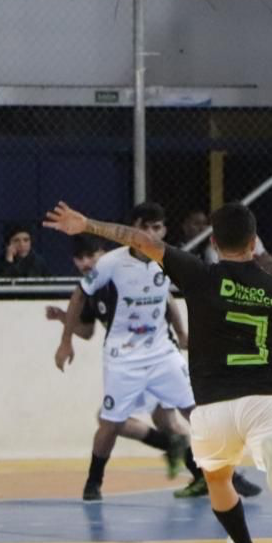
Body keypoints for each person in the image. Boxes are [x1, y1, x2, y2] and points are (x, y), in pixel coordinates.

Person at [45, 200, 272, 543]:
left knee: (216, 478)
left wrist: (87, 223)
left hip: (213, 407)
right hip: (267, 398)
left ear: (214, 241)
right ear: (253, 243)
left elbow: (138, 239)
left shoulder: (199, 274)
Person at [53, 203, 201, 501]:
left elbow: (168, 297)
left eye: (157, 227)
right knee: (110, 422)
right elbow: (79, 296)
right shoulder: (110, 264)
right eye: (145, 227)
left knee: (196, 413)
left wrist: (183, 334)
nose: (151, 233)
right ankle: (94, 481)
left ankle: (222, 472)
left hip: (162, 352)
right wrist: (65, 340)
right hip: (123, 357)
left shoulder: (168, 258)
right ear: (133, 229)